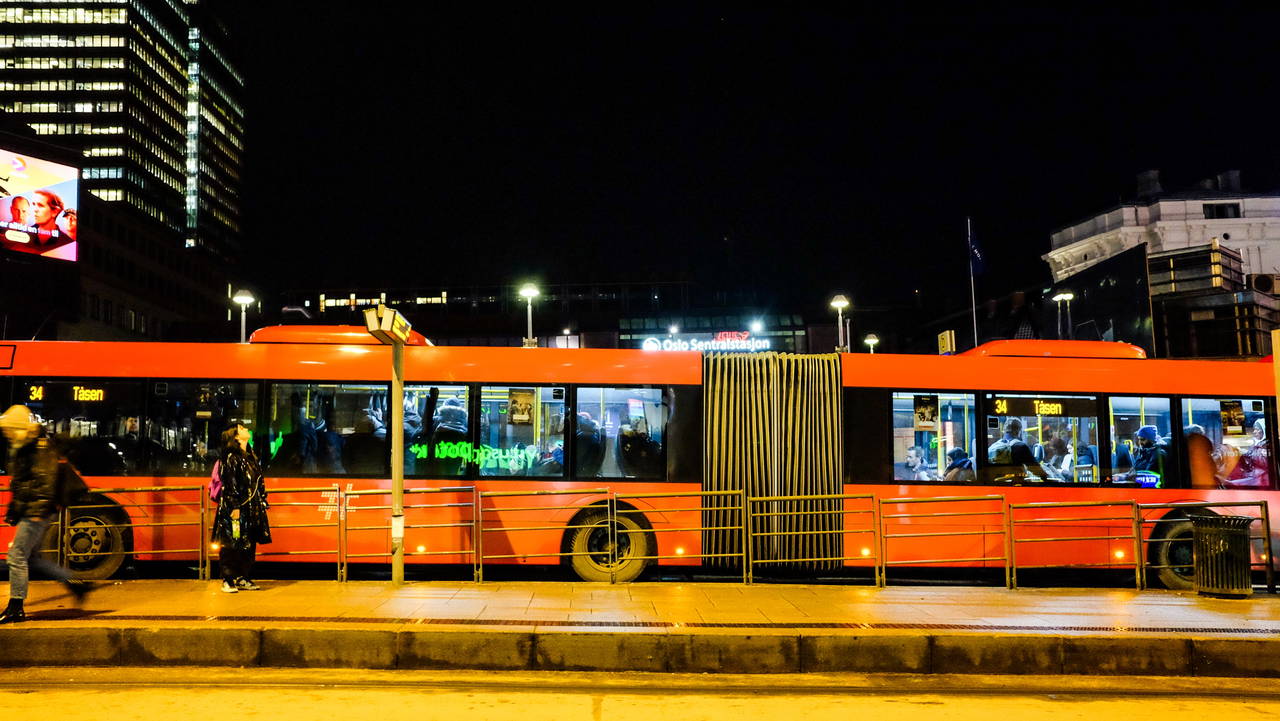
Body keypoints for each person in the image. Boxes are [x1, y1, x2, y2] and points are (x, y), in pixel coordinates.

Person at [1, 405, 91, 624]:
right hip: (33, 510)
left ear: (18, 428)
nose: (5, 433)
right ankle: (76, 583)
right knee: (31, 559)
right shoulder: (25, 444)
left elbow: (44, 482)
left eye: (9, 429)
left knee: (17, 556)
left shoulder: (37, 447)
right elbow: (24, 482)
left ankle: (15, 608)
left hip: (36, 512)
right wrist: (15, 509)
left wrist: (36, 512)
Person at [211, 422, 271, 593]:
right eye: (242, 429)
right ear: (236, 436)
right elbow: (230, 484)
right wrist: (234, 507)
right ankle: (228, 579)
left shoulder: (250, 456)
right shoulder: (230, 457)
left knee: (248, 542)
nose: (247, 430)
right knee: (231, 542)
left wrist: (263, 500)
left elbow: (258, 482)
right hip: (235, 509)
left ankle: (242, 577)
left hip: (251, 508)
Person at [1225, 418, 1270, 488]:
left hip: (1262, 477)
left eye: (1257, 429)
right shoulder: (1255, 444)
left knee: (1232, 485)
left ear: (1264, 430)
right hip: (1252, 473)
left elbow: (1264, 463)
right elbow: (1250, 457)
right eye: (1254, 429)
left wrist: (1247, 453)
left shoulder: (1267, 445)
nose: (1254, 432)